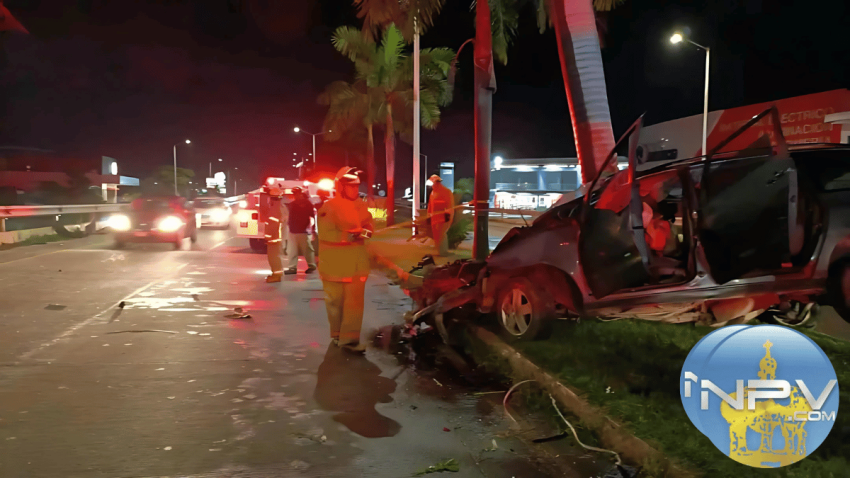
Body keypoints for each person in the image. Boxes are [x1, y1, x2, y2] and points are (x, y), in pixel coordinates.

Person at [317, 167, 374, 354]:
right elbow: (325, 234)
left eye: (357, 186)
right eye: (351, 186)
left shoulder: (361, 205)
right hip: (335, 264)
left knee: (354, 304)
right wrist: (348, 237)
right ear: (341, 187)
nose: (355, 189)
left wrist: (366, 232)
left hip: (356, 264)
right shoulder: (329, 207)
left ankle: (349, 340)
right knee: (335, 302)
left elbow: (368, 223)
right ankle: (337, 335)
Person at [284, 187, 317, 274]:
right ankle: (292, 268)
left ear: (300, 193)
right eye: (294, 193)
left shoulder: (306, 204)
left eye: (296, 193)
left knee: (307, 250)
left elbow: (312, 216)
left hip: (303, 231)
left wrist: (312, 230)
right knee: (292, 251)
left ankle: (311, 266)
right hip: (293, 231)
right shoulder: (293, 204)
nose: (295, 195)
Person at [426, 175, 454, 256]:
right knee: (436, 235)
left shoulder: (446, 192)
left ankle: (443, 251)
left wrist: (448, 215)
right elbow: (430, 206)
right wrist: (428, 216)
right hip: (434, 218)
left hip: (443, 218)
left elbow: (450, 205)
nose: (432, 186)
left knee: (442, 234)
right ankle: (439, 250)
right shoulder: (433, 193)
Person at [263, 186, 287, 283]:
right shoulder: (282, 207)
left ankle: (276, 276)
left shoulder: (274, 209)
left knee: (273, 258)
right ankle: (276, 274)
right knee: (276, 257)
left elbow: (273, 225)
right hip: (277, 238)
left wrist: (268, 238)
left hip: (274, 239)